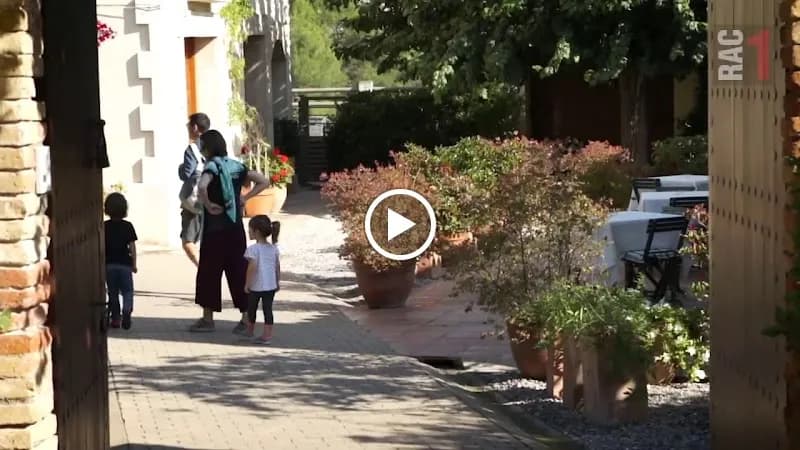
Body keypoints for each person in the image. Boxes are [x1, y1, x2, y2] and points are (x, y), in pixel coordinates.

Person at [189, 129, 270, 333]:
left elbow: (202, 187)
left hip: (214, 229)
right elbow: (263, 181)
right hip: (235, 227)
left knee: (209, 273)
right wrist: (245, 197)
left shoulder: (211, 167)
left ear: (207, 149)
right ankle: (246, 317)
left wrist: (207, 204)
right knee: (238, 272)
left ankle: (208, 319)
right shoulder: (236, 166)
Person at [241, 215, 281, 343]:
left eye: (250, 229)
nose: (248, 232)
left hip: (256, 285)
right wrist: (277, 281)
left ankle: (250, 330)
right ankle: (267, 335)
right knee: (267, 309)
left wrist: (247, 283)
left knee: (251, 308)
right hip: (270, 285)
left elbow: (252, 267)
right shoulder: (273, 248)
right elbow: (277, 266)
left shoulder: (253, 249)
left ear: (256, 231)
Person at [178, 113, 210, 267]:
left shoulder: (192, 148)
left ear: (195, 127)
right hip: (211, 201)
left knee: (187, 241)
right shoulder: (213, 146)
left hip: (194, 202)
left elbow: (186, 174)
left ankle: (203, 268)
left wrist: (180, 168)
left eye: (188, 125)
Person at [104, 192, 138, 330]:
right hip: (125, 264)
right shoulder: (128, 226)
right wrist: (134, 264)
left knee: (112, 292)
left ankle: (116, 319)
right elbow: (132, 247)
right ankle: (127, 310)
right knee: (127, 291)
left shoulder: (104, 226)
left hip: (109, 264)